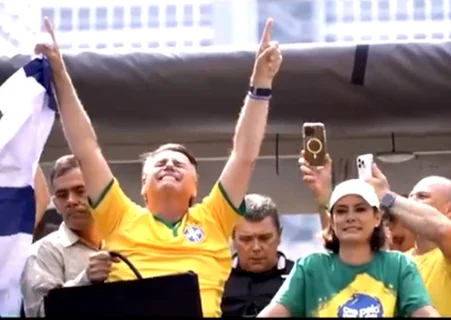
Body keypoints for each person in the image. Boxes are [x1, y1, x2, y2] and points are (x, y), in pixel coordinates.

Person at [35, 17, 282, 317]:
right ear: (142, 186)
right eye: (159, 163)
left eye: (180, 163)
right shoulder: (118, 216)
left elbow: (244, 154)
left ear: (195, 187)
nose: (168, 165)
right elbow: (86, 149)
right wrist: (60, 74)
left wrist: (261, 85)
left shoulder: (215, 218)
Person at [258, 178, 438, 317]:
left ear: (377, 217)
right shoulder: (311, 266)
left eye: (360, 209)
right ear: (332, 220)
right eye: (341, 211)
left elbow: (425, 313)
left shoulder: (399, 265)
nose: (350, 217)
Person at [366, 163, 451, 317]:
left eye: (422, 196)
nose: (411, 203)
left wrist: (386, 197)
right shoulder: (400, 262)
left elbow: (442, 230)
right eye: (410, 197)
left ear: (449, 210)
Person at [20, 155, 116, 317]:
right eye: (62, 195)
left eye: (80, 191)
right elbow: (40, 313)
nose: (71, 201)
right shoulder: (41, 253)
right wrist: (85, 280)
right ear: (56, 204)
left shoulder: (125, 242)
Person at [221, 194, 294, 317]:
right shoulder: (216, 277)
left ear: (279, 235)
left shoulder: (298, 277)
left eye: (265, 238)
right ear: (233, 238)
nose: (256, 248)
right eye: (246, 239)